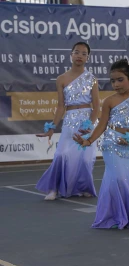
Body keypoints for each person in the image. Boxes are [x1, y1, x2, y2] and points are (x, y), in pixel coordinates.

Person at [74, 59, 129, 229]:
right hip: (111, 142)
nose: (116, 84)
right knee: (118, 179)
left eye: (120, 79)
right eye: (113, 81)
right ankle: (116, 216)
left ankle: (127, 215)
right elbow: (102, 124)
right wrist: (88, 140)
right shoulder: (109, 101)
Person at [36, 42, 99, 200]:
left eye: (84, 54)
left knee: (85, 158)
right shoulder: (61, 79)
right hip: (70, 120)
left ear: (88, 58)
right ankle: (54, 189)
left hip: (87, 120)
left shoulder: (92, 79)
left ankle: (84, 187)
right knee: (62, 155)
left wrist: (90, 124)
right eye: (77, 52)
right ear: (71, 55)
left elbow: (97, 107)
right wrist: (51, 128)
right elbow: (60, 106)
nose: (80, 56)